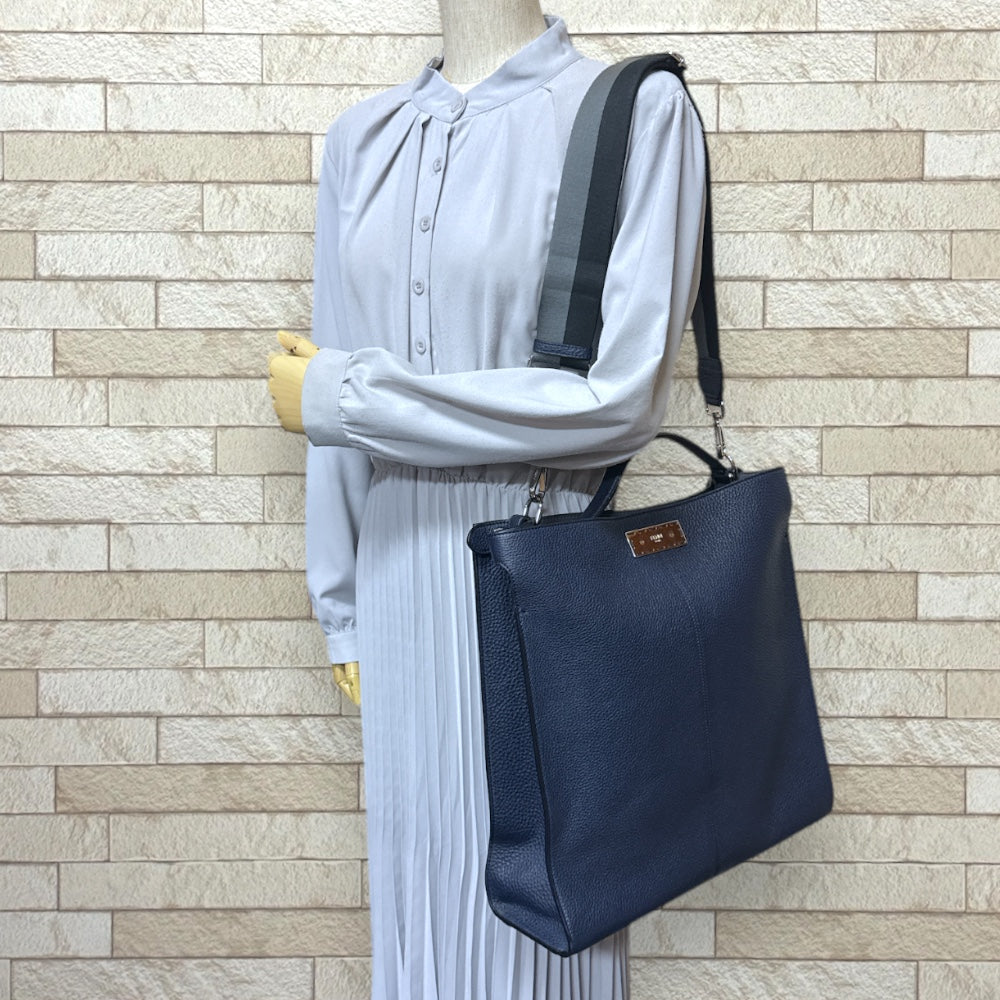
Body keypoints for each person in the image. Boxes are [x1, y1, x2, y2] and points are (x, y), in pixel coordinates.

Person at [267, 3, 707, 996]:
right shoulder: (362, 140)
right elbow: (334, 410)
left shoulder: (634, 110)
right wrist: (340, 608)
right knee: (420, 918)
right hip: (395, 586)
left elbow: (623, 399)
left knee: (550, 920)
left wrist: (351, 396)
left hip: (543, 582)